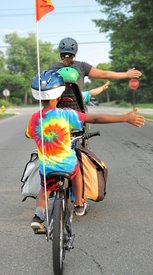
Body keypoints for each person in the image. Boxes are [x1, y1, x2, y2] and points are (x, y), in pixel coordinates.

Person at [26, 70, 145, 231]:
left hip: (46, 167)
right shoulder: (66, 115)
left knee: (44, 190)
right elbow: (95, 119)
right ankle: (79, 204)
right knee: (77, 174)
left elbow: (28, 134)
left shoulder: (34, 119)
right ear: (60, 96)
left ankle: (38, 217)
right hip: (67, 165)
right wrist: (125, 117)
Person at [48, 37, 142, 92]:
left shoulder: (51, 69)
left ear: (60, 52)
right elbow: (105, 74)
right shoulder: (82, 66)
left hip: (56, 110)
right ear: (75, 52)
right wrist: (126, 74)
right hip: (77, 109)